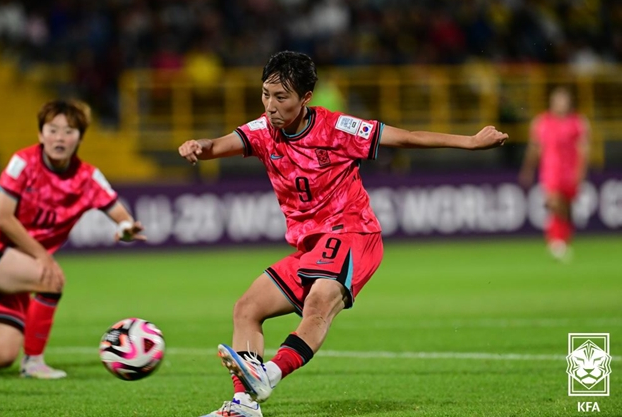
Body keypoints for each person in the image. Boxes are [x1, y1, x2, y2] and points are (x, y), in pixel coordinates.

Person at [178, 51, 508, 417]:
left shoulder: (337, 129)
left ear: (306, 98)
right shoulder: (262, 131)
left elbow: (406, 138)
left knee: (319, 304)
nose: (270, 106)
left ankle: (268, 374)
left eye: (281, 97)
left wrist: (470, 142)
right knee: (247, 309)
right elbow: (215, 145)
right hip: (311, 246)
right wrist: (198, 146)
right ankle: (244, 406)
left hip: (352, 233)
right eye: (266, 94)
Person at [0, 31, 146, 379]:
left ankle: (21, 358)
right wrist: (42, 256)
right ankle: (34, 363)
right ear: (40, 134)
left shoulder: (88, 177)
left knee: (1, 354)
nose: (60, 137)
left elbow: (119, 215)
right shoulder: (23, 163)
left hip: (16, 261)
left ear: (80, 138)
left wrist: (126, 228)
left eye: (69, 132)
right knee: (51, 278)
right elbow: (4, 219)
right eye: (52, 130)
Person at [519, 86, 590, 261]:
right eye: (558, 100)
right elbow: (534, 148)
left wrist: (581, 171)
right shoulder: (541, 122)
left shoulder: (578, 122)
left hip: (570, 170)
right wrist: (528, 169)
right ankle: (555, 240)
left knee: (566, 207)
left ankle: (563, 238)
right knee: (553, 202)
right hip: (551, 170)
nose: (561, 104)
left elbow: (584, 149)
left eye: (564, 100)